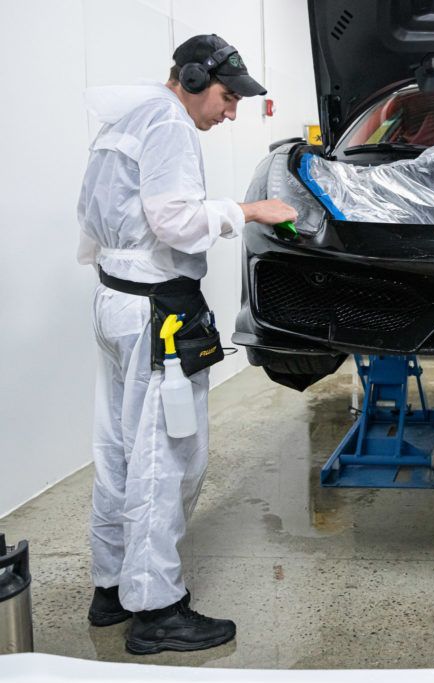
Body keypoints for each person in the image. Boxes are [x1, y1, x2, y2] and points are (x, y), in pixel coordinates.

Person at [77, 34, 296, 653]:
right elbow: (175, 221)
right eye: (228, 98)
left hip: (117, 300)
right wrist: (248, 212)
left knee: (118, 450)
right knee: (166, 459)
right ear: (194, 80)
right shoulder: (168, 125)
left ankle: (112, 588)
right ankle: (157, 610)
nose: (230, 113)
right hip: (155, 312)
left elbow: (92, 216)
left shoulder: (128, 117)